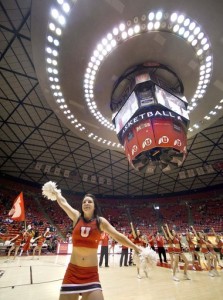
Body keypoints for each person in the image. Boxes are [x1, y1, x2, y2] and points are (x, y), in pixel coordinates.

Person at [42, 181, 140, 300]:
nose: (86, 203)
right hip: (72, 272)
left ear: (94, 206)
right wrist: (55, 192)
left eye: (89, 201)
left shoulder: (100, 222)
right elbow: (63, 203)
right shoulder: (76, 217)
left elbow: (118, 236)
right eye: (84, 201)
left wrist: (136, 247)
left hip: (91, 274)